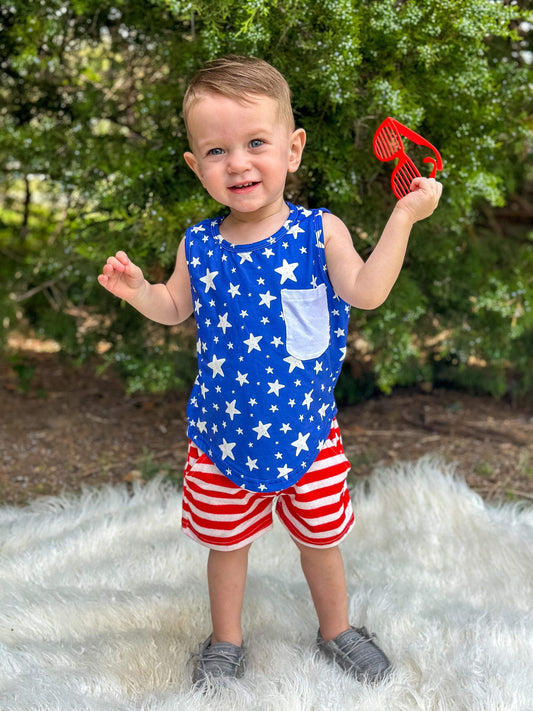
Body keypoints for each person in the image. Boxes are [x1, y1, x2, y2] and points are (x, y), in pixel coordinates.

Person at [98, 55, 442, 686]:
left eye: (257, 142)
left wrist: (402, 220)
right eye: (216, 149)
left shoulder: (319, 233)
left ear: (293, 150)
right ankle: (225, 639)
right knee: (226, 544)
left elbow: (366, 291)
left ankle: (336, 628)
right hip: (224, 436)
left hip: (308, 433)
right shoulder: (198, 245)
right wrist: (139, 291)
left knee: (321, 539)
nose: (238, 162)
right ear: (195, 165)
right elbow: (174, 308)